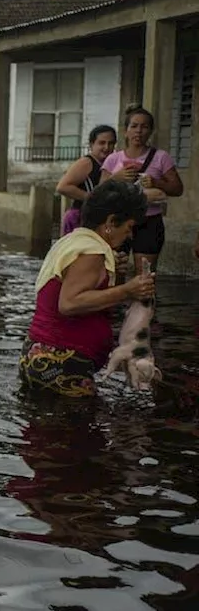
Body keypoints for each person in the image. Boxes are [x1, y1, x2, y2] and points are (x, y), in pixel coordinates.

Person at [19, 180, 156, 399]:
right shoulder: (92, 251)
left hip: (41, 357)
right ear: (111, 222)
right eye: (129, 227)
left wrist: (115, 276)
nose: (130, 235)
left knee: (48, 429)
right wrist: (128, 291)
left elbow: (87, 294)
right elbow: (70, 303)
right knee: (78, 431)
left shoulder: (73, 241)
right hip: (62, 361)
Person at [100, 106, 184, 274]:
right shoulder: (113, 159)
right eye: (134, 126)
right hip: (119, 222)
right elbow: (100, 192)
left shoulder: (161, 157)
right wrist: (116, 177)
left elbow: (177, 188)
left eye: (144, 127)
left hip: (149, 222)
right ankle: (117, 301)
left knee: (145, 276)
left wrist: (156, 182)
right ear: (126, 131)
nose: (139, 131)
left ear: (150, 131)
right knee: (114, 273)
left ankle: (144, 301)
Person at [56, 125, 115, 236]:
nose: (106, 147)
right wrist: (91, 197)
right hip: (79, 217)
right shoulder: (87, 162)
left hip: (96, 219)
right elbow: (62, 187)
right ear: (92, 145)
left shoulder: (109, 164)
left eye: (111, 143)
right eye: (101, 143)